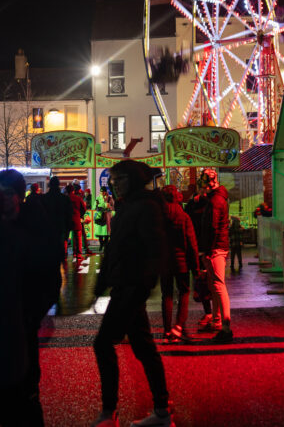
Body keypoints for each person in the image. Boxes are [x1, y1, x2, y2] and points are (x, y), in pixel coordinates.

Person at [92, 160, 172, 427]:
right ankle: (161, 411)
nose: (115, 184)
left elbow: (153, 249)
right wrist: (104, 279)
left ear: (133, 179)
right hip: (126, 284)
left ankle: (109, 412)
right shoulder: (130, 206)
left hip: (131, 286)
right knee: (143, 347)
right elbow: (115, 248)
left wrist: (141, 285)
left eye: (120, 179)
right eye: (113, 180)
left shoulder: (145, 207)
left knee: (103, 343)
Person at [0, 168, 61, 426]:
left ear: (19, 196)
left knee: (25, 390)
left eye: (6, 194)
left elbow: (49, 275)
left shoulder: (35, 227)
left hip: (22, 319)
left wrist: (32, 313)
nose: (2, 198)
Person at [160, 184, 199, 342]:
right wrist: (195, 268)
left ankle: (167, 330)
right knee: (184, 292)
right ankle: (179, 326)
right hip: (181, 261)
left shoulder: (158, 217)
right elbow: (191, 244)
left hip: (163, 262)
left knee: (166, 295)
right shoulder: (183, 217)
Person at [200, 168, 233, 343]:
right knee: (216, 285)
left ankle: (225, 326)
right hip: (220, 246)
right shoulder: (220, 199)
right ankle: (218, 321)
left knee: (218, 286)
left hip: (215, 248)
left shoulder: (214, 202)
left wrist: (206, 249)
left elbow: (211, 227)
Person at [185, 182, 213, 330]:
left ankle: (211, 313)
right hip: (205, 248)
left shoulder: (193, 206)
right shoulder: (209, 204)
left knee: (204, 281)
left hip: (201, 248)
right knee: (208, 281)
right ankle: (211, 313)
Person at [41, 176, 73, 262]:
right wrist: (68, 229)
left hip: (48, 230)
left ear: (50, 185)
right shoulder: (65, 199)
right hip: (61, 228)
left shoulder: (44, 198)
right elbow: (69, 215)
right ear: (58, 185)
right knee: (60, 253)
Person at [65, 184, 86, 261]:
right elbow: (84, 208)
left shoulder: (64, 198)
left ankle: (65, 254)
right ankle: (78, 254)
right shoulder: (78, 198)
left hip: (67, 220)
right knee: (78, 237)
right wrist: (80, 215)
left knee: (65, 238)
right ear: (73, 190)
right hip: (76, 219)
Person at [94, 186, 114, 252]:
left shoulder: (109, 198)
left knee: (106, 233)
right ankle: (101, 244)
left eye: (104, 191)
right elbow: (94, 207)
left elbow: (113, 207)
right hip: (99, 217)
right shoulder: (98, 198)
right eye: (101, 191)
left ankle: (105, 246)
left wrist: (109, 206)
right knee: (99, 233)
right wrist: (97, 206)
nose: (102, 193)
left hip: (107, 217)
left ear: (106, 192)